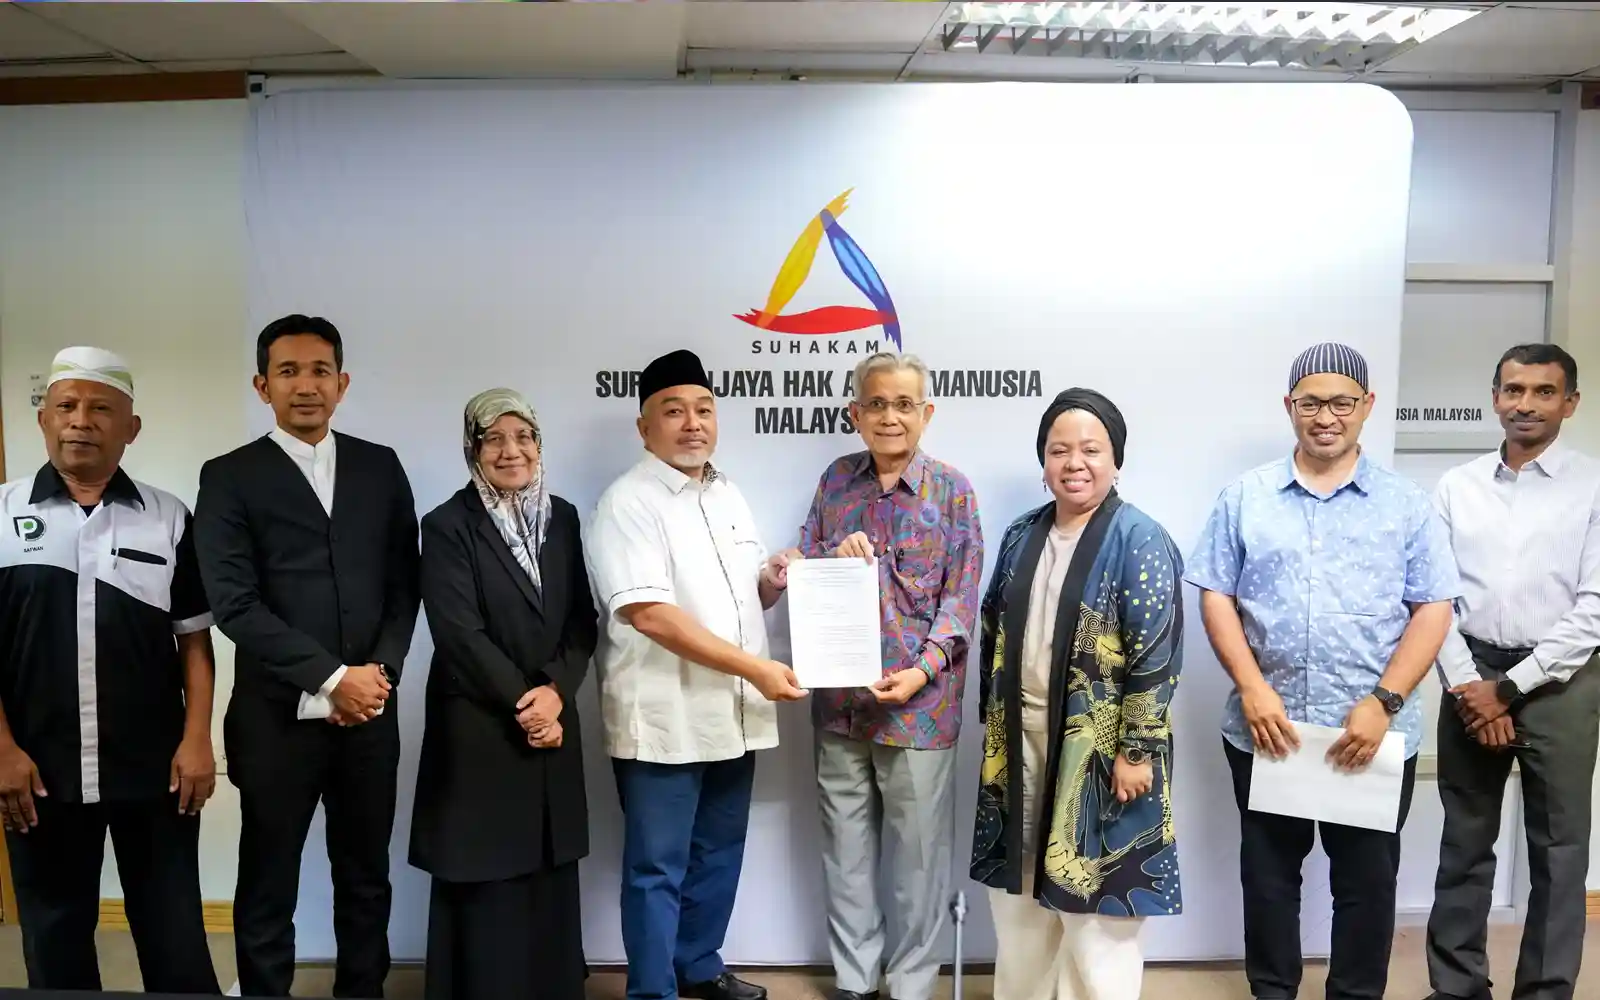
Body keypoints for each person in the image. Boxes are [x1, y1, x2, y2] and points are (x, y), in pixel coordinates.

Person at [1185, 342, 1460, 1000]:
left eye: (1342, 402)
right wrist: (1252, 689)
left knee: (1366, 885)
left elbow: (1433, 608)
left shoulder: (1406, 504)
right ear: (1290, 407)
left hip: (1369, 733)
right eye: (1311, 403)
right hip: (1268, 728)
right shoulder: (1245, 497)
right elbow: (1216, 594)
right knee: (1269, 881)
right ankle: (1272, 992)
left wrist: (1384, 702)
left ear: (1367, 406)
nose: (1326, 417)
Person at [194, 315, 421, 998]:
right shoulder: (228, 476)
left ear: (342, 383)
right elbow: (234, 605)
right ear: (262, 386)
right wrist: (332, 679)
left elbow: (404, 585)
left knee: (366, 878)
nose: (305, 385)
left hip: (370, 719)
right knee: (269, 882)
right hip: (273, 722)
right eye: (288, 371)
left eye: (320, 371)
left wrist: (376, 678)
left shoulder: (380, 466)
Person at [584, 348, 806, 1000]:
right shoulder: (628, 502)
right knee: (657, 867)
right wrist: (757, 669)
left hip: (731, 713)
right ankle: (652, 991)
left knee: (718, 852)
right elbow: (651, 615)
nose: (692, 424)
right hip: (665, 718)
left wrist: (771, 580)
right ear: (644, 427)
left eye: (703, 410)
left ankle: (699, 968)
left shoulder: (726, 492)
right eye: (673, 411)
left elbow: (742, 596)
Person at [0, 346, 220, 994]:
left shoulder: (168, 516)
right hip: (37, 771)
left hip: (155, 769)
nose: (81, 420)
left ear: (131, 428)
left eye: (100, 408)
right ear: (43, 419)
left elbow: (195, 641)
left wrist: (198, 740)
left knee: (175, 936)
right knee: (54, 939)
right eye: (66, 405)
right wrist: (2, 750)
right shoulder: (3, 514)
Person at [970, 388, 1183, 1000]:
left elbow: (1157, 654)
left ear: (1116, 459)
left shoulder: (1139, 538)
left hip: (1103, 751)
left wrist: (1137, 751)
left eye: (1091, 449)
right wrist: (993, 722)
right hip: (1021, 740)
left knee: (1098, 920)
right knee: (1019, 911)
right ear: (1043, 461)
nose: (1074, 463)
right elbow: (993, 628)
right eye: (1059, 450)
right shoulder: (1021, 533)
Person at [797, 351, 983, 1000]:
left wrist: (921, 672)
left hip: (920, 711)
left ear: (926, 413)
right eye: (876, 403)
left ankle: (909, 985)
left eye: (904, 404)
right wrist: (830, 553)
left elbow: (961, 602)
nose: (890, 417)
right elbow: (805, 567)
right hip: (840, 706)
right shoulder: (834, 482)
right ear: (855, 413)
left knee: (918, 862)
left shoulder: (953, 491)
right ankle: (855, 980)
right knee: (844, 852)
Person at [1424, 343, 1600, 1000]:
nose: (1526, 404)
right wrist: (1470, 688)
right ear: (1495, 397)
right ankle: (1456, 988)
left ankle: (1545, 992)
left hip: (1562, 681)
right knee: (1464, 842)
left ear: (1569, 403)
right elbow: (1434, 597)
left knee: (1559, 850)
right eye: (1513, 389)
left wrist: (1509, 689)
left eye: (1544, 392)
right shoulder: (1456, 485)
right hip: (1470, 673)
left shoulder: (1593, 484)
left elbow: (1596, 606)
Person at [409, 388, 598, 1000]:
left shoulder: (563, 517)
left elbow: (582, 620)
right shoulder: (446, 525)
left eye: (523, 437)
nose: (510, 450)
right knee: (485, 874)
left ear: (540, 445)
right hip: (481, 725)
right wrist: (529, 705)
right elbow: (459, 634)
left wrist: (556, 692)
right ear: (473, 448)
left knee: (547, 865)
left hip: (551, 720)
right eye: (493, 438)